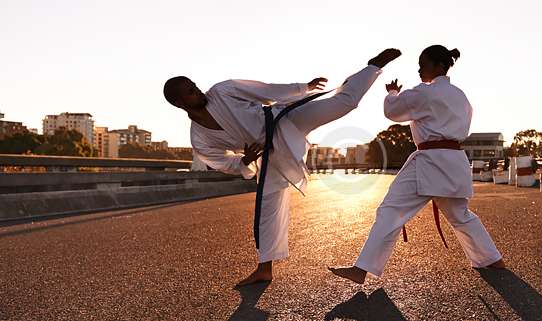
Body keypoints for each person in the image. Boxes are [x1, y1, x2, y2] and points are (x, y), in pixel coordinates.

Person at [163, 49, 402, 286]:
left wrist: (303, 87)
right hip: (269, 156)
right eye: (191, 91)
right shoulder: (200, 138)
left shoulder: (222, 90)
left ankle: (372, 67)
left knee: (343, 103)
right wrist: (244, 161)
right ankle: (264, 269)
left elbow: (264, 90)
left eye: (195, 85)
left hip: (283, 120)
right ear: (179, 103)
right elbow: (220, 161)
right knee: (268, 212)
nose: (199, 91)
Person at [330, 45, 505, 284]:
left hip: (430, 161)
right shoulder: (460, 96)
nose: (419, 69)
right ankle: (491, 259)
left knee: (390, 210)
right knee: (460, 215)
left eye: (423, 64)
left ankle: (362, 268)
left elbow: (393, 111)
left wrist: (392, 93)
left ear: (439, 66)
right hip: (454, 161)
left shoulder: (425, 92)